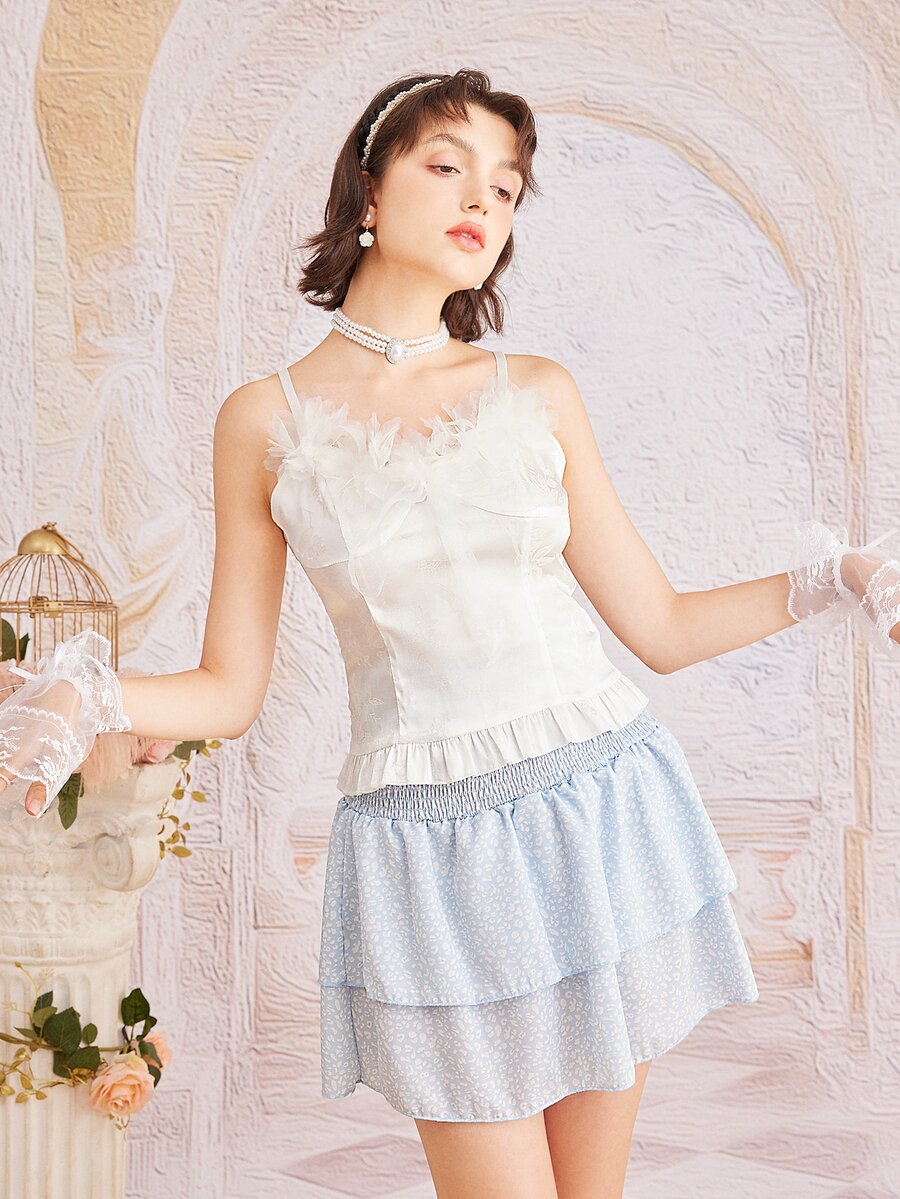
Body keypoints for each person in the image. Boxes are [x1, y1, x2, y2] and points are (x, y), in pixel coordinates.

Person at [1, 68, 899, 1199]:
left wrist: (838, 575)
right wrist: (88, 689)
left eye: (507, 188)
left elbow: (661, 627)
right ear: (369, 192)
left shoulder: (539, 391)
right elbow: (230, 686)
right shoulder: (263, 417)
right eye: (448, 165)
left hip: (595, 805)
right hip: (425, 849)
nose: (484, 199)